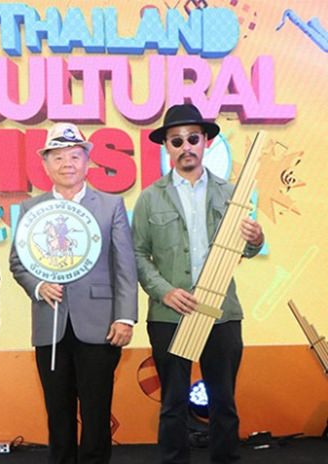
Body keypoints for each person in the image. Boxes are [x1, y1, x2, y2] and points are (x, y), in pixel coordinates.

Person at [131, 104, 264, 464]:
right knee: (173, 404)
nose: (185, 146)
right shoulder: (149, 198)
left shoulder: (231, 193)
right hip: (168, 317)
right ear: (167, 147)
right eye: (177, 141)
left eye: (193, 138)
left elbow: (248, 250)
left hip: (222, 314)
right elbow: (138, 256)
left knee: (224, 402)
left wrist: (255, 238)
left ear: (205, 142)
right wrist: (164, 291)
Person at [9, 123, 138, 464]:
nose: (67, 163)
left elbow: (125, 265)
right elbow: (18, 264)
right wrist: (38, 286)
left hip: (100, 325)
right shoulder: (30, 209)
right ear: (46, 164)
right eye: (58, 157)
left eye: (74, 156)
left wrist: (125, 317)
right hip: (49, 324)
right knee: (58, 413)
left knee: (96, 413)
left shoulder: (111, 206)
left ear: (87, 162)